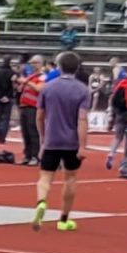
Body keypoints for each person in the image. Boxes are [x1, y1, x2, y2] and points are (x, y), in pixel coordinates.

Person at [35, 51, 92, 232]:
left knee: (45, 177)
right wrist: (82, 146)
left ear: (59, 67)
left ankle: (42, 201)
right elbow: (82, 120)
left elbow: (39, 117)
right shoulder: (83, 90)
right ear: (77, 68)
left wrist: (43, 140)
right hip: (71, 142)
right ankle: (63, 219)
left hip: (52, 139)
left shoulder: (47, 88)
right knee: (71, 178)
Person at [18, 55, 46, 165]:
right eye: (31, 63)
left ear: (40, 64)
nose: (32, 65)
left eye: (34, 63)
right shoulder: (31, 76)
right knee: (25, 132)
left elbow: (39, 88)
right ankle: (27, 155)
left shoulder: (43, 76)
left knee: (33, 132)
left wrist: (26, 82)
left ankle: (35, 156)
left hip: (33, 107)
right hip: (24, 106)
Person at [0, 57, 18, 148]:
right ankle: (3, 137)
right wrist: (8, 96)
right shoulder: (13, 73)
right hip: (9, 97)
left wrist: (0, 95)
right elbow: (13, 87)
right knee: (6, 118)